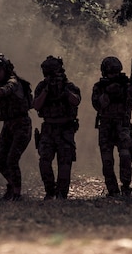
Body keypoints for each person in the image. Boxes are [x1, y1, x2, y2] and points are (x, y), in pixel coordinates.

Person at [0, 54, 33, 201]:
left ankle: (17, 194)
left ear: (6, 69)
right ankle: (12, 185)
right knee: (0, 160)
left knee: (12, 159)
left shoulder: (13, 82)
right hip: (8, 125)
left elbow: (4, 91)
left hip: (21, 125)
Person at [91, 56, 132, 197]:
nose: (113, 76)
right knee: (107, 161)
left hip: (122, 126)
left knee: (125, 156)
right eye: (111, 73)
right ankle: (112, 191)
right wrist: (108, 93)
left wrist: (131, 91)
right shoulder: (99, 87)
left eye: (116, 73)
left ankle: (126, 187)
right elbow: (97, 105)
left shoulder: (126, 85)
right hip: (106, 127)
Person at [33, 56, 81, 200]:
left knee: (65, 163)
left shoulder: (70, 86)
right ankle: (50, 190)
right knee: (44, 161)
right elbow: (36, 105)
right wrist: (47, 90)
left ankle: (61, 193)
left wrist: (64, 90)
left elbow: (76, 101)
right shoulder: (42, 87)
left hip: (65, 128)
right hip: (48, 128)